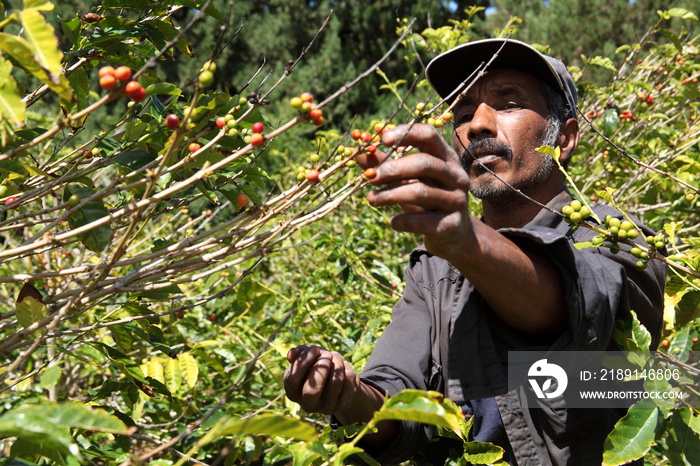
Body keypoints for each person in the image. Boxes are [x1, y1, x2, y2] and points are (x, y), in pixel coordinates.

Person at [283, 38, 666, 465]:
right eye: (463, 113)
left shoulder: (616, 238)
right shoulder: (434, 272)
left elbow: (574, 308)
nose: (477, 124)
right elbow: (397, 397)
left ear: (565, 139)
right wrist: (346, 394)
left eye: (508, 103)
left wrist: (467, 241)